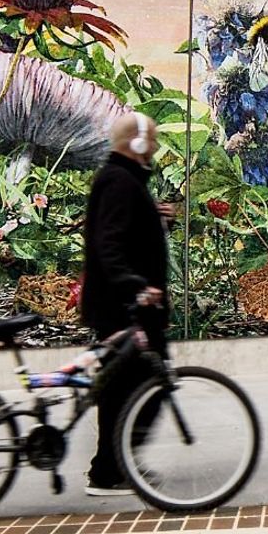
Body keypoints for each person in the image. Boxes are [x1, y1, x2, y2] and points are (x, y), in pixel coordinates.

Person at [80, 111, 170, 495]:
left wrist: (155, 218)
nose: (157, 145)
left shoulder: (124, 179)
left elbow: (124, 231)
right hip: (125, 305)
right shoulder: (120, 181)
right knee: (143, 386)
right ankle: (110, 470)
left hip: (127, 303)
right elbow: (109, 243)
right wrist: (135, 285)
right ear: (137, 143)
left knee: (128, 388)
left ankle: (114, 466)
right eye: (153, 138)